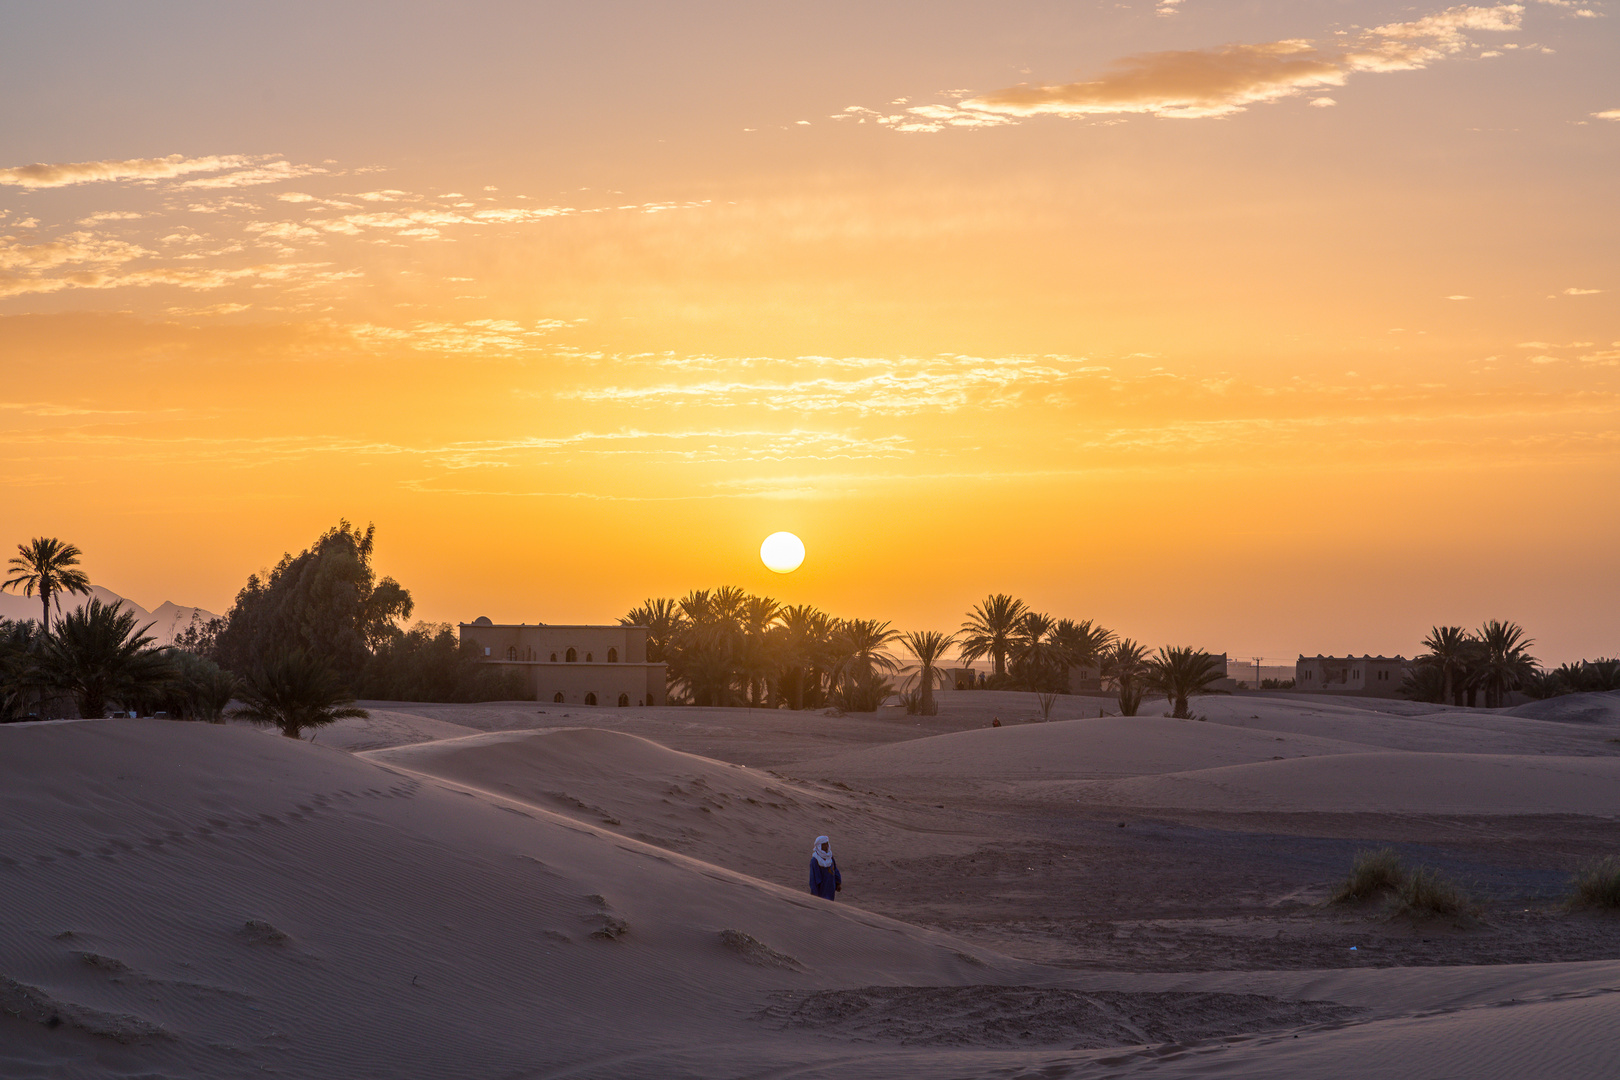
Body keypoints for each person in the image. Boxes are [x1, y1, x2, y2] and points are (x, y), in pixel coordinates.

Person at [809, 835, 841, 900]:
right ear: (819, 846)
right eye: (824, 845)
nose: (826, 846)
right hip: (821, 889)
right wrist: (814, 894)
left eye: (827, 844)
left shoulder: (830, 857)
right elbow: (814, 879)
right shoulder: (815, 860)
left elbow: (835, 869)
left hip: (830, 888)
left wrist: (838, 883)